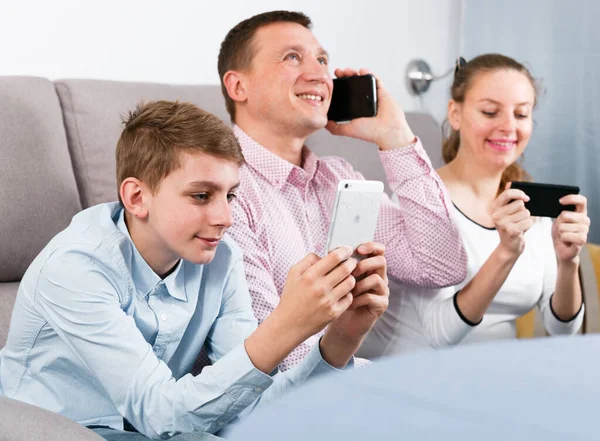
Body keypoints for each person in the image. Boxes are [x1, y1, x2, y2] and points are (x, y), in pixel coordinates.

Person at [0, 101, 389, 440]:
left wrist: (342, 338)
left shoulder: (221, 260)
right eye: (201, 196)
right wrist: (288, 324)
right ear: (137, 197)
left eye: (230, 195)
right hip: (58, 428)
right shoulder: (75, 268)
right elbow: (161, 414)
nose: (226, 218)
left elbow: (250, 410)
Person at [217, 10, 468, 370]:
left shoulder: (339, 179)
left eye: (322, 60)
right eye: (292, 57)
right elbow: (267, 357)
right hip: (290, 403)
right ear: (238, 86)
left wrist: (395, 137)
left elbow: (441, 266)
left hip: (348, 387)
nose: (320, 74)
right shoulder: (222, 191)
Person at [358, 54, 589, 357]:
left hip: (490, 376)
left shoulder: (531, 207)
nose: (508, 127)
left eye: (521, 114)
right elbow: (440, 333)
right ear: (455, 113)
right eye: (490, 112)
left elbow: (562, 328)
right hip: (414, 373)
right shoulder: (421, 201)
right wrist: (505, 252)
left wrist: (568, 262)